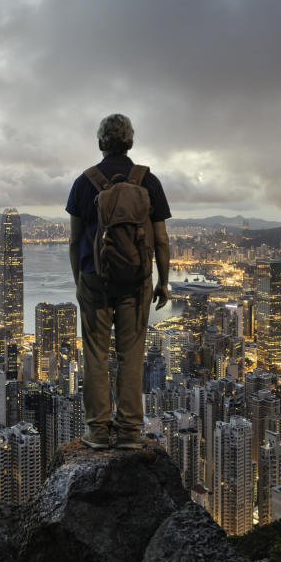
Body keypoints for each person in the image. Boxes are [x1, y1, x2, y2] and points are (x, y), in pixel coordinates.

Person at [66, 114, 171, 449]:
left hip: (93, 280)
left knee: (95, 355)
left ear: (100, 143)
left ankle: (97, 432)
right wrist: (163, 281)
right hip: (137, 281)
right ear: (130, 142)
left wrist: (80, 279)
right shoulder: (147, 181)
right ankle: (128, 432)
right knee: (131, 354)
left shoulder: (84, 183)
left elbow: (74, 240)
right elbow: (161, 239)